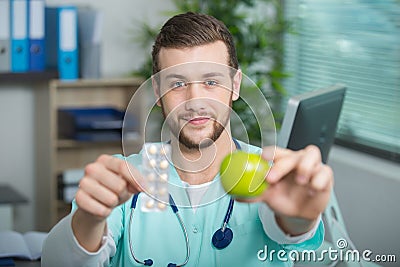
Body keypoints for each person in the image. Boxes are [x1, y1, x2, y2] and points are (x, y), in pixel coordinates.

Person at [42, 12, 333, 267]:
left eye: (211, 81)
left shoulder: (270, 175)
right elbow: (58, 261)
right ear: (157, 91)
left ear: (235, 85)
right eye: (178, 84)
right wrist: (90, 220)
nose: (195, 101)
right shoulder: (124, 178)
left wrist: (300, 219)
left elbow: (289, 226)